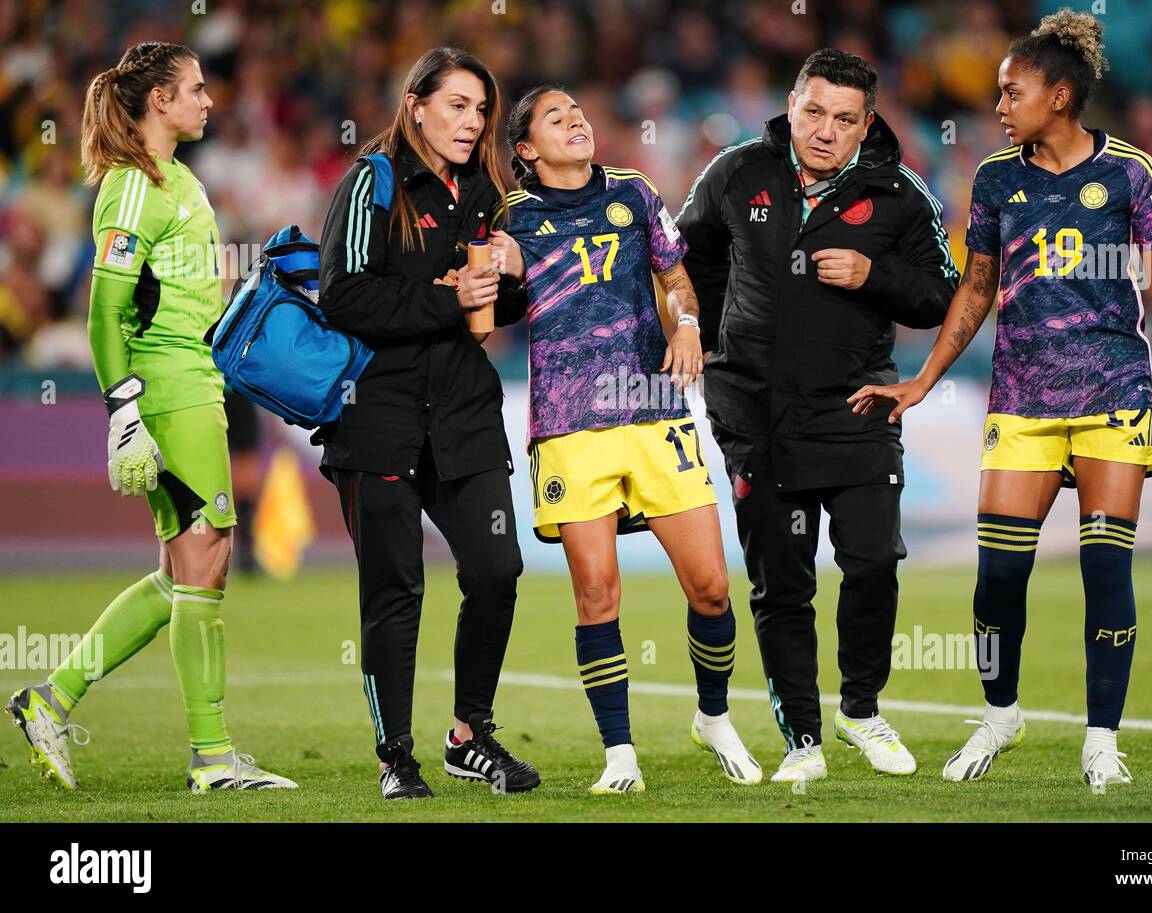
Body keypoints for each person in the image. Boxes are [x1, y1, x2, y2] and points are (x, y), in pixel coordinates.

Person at [848, 9, 1152, 792]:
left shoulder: (1129, 173)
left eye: (1013, 92)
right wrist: (923, 381)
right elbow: (977, 289)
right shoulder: (994, 179)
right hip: (1021, 398)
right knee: (998, 579)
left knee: (1106, 570)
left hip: (1114, 392)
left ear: (1061, 94)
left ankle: (1101, 737)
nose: (999, 105)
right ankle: (1001, 711)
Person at [6, 42, 296, 793]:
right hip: (169, 388)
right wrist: (124, 412)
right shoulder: (132, 187)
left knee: (184, 567)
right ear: (159, 101)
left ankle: (51, 697)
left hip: (195, 376)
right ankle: (211, 756)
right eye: (195, 89)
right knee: (205, 557)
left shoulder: (180, 181)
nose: (208, 99)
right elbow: (104, 312)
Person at [676, 48, 959, 782]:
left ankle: (860, 708)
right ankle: (803, 738)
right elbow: (685, 258)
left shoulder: (900, 193)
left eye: (843, 118)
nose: (824, 131)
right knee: (782, 583)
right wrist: (706, 338)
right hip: (754, 413)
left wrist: (876, 276)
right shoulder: (737, 173)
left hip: (857, 406)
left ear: (867, 123)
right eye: (813, 111)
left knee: (871, 562)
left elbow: (942, 294)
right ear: (791, 103)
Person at [490, 86, 762, 793]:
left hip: (652, 410)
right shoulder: (510, 219)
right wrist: (480, 286)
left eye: (577, 111)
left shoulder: (635, 195)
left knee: (708, 585)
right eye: (555, 117)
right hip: (569, 426)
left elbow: (676, 280)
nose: (575, 120)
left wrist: (690, 324)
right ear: (525, 149)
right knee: (597, 593)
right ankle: (620, 752)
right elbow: (486, 313)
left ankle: (713, 714)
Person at [316, 47, 538, 799]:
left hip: (466, 413)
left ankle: (469, 735)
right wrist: (451, 297)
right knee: (395, 590)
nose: (473, 122)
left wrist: (512, 276)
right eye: (457, 105)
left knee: (497, 570)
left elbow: (496, 311)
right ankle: (396, 757)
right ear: (415, 104)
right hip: (377, 416)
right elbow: (342, 296)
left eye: (480, 109)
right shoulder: (372, 182)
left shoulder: (485, 188)